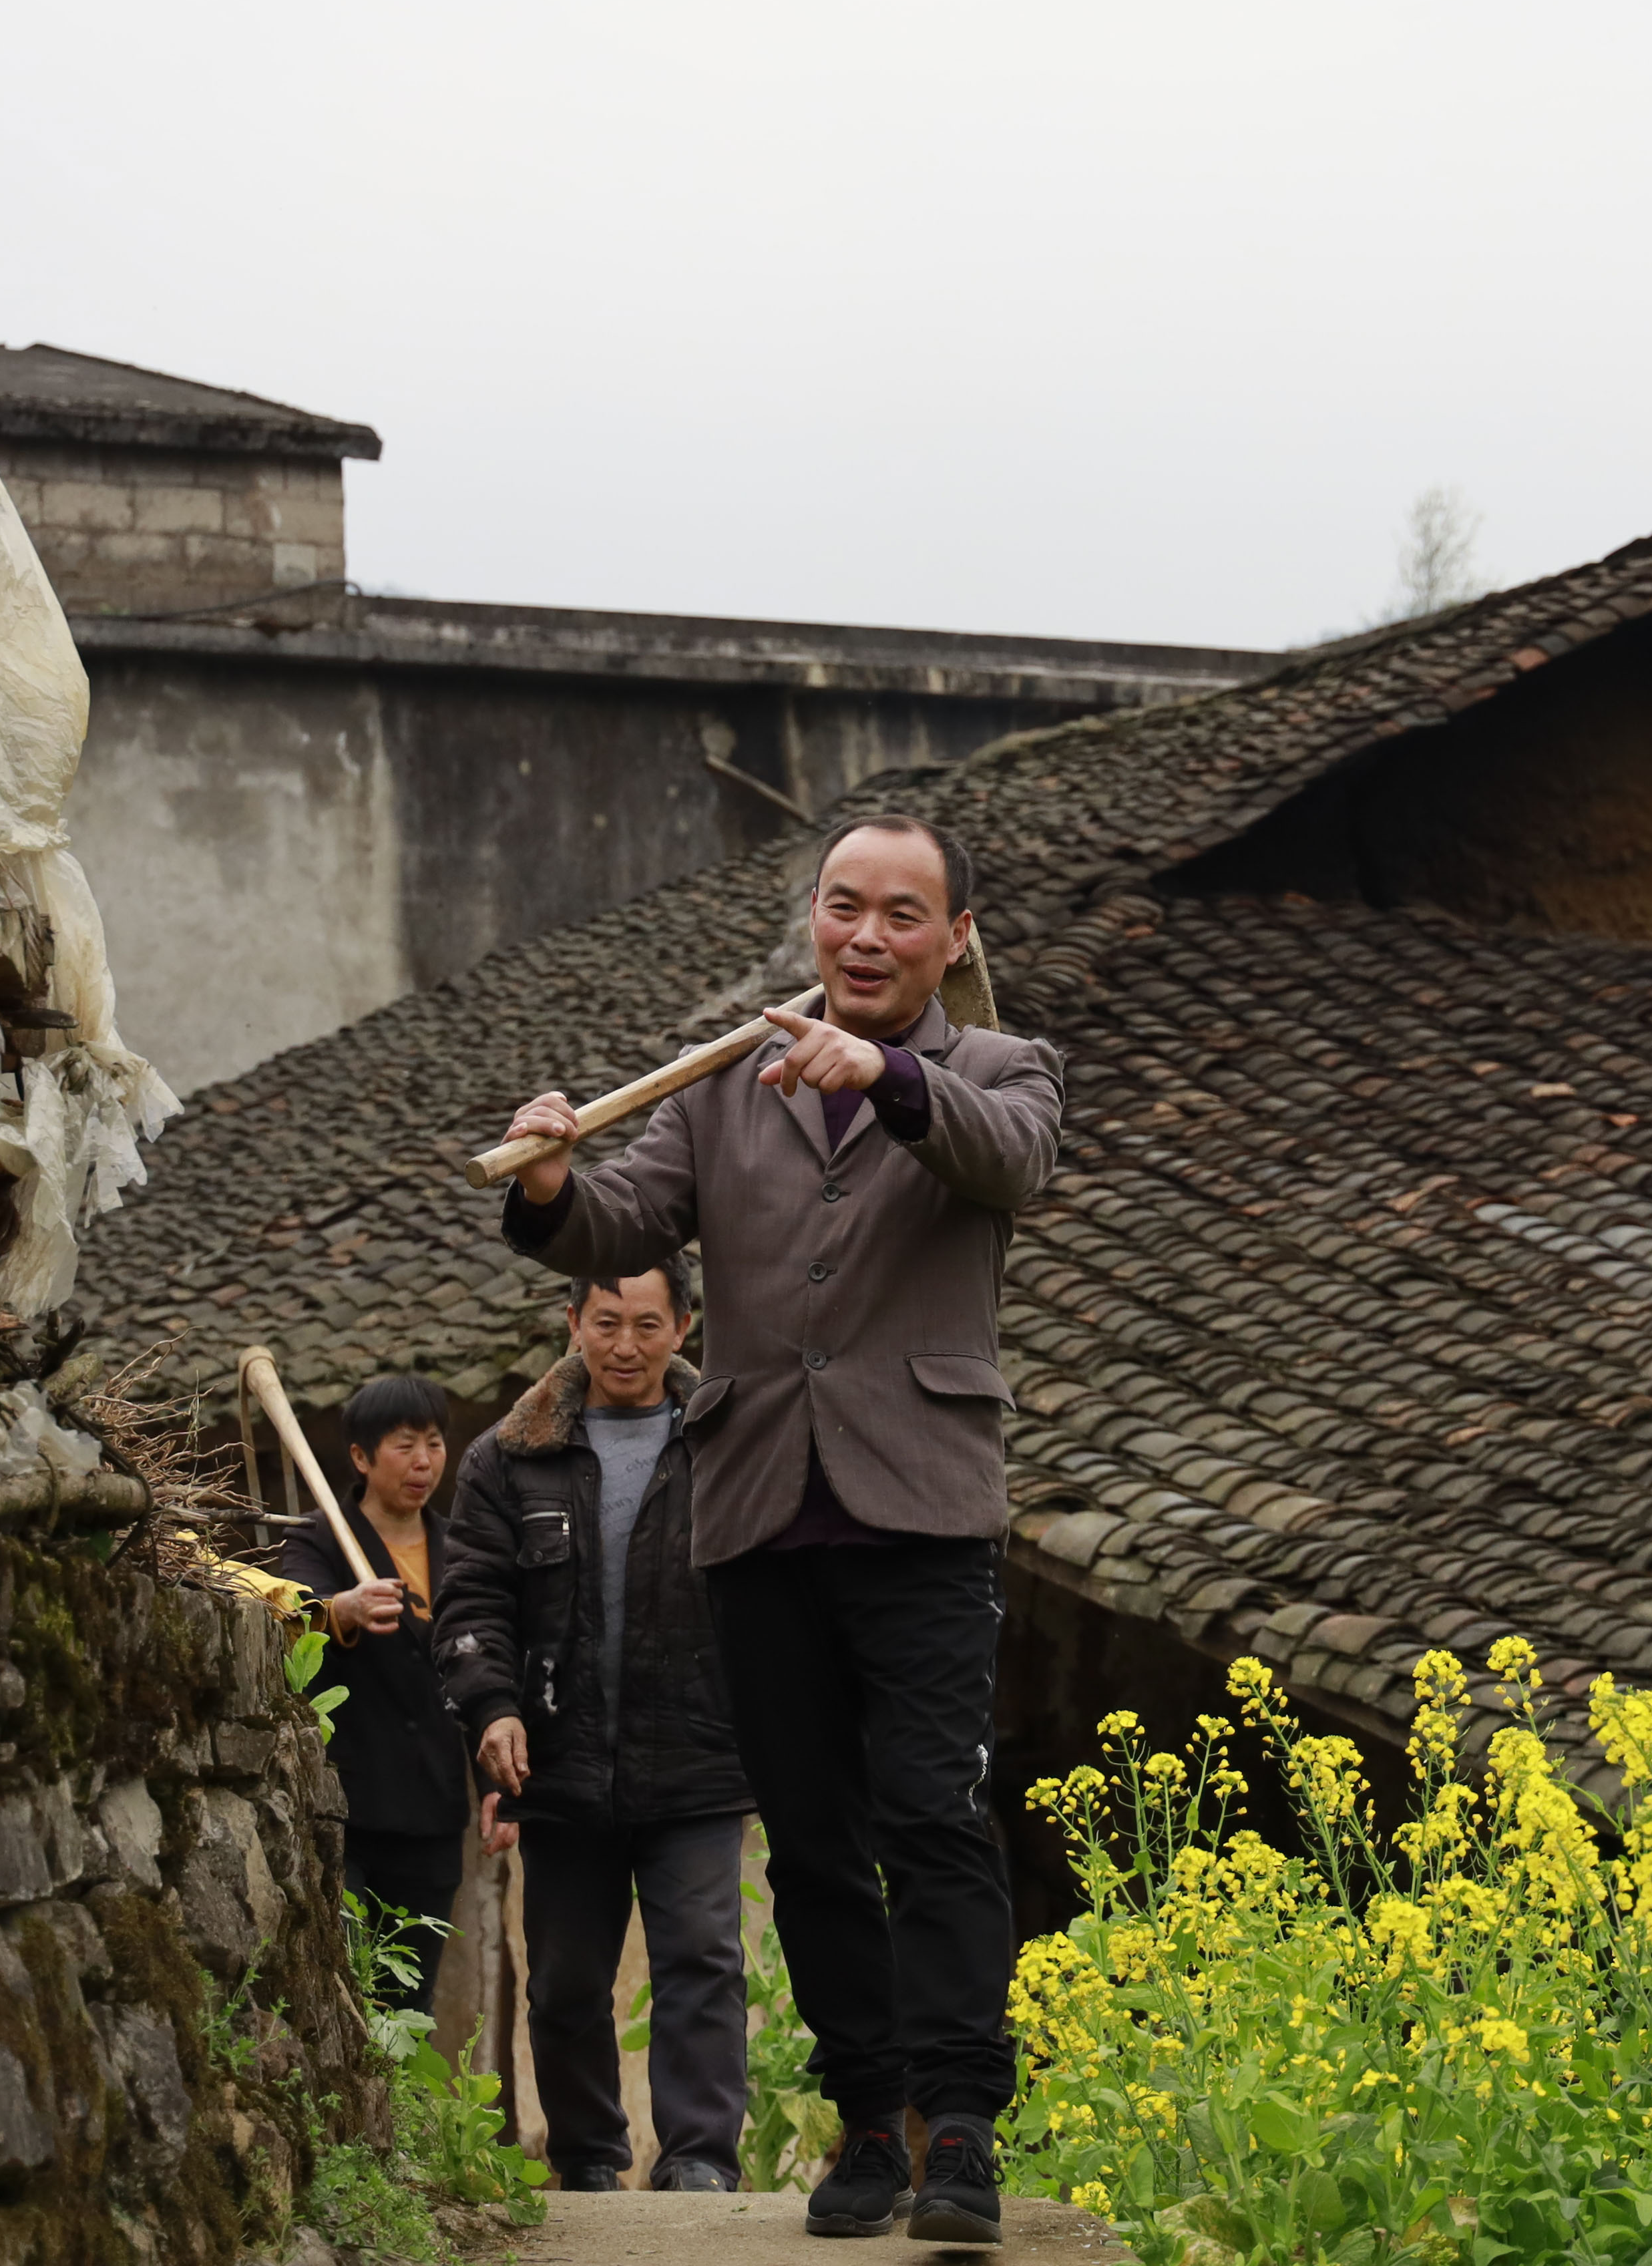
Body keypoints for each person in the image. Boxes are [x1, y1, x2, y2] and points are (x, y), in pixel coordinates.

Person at [495, 811, 1064, 2245]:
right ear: (814, 920)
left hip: (922, 1503)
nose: (865, 934)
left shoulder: (998, 1066)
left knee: (931, 1815)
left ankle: (961, 2128)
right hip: (757, 1505)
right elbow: (625, 1220)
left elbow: (1011, 1161)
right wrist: (556, 1177)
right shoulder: (723, 1081)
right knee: (809, 1838)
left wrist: (887, 1072)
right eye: (841, 906)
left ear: (954, 939)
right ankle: (869, 2119)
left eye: (900, 914)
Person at [434, 1264, 755, 2195]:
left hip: (698, 1751)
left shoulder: (728, 1442)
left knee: (702, 1958)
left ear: (684, 1325)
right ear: (573, 1321)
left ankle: (699, 2159)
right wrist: (493, 1708)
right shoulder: (507, 1457)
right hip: (561, 1762)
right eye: (606, 1323)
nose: (625, 1346)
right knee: (567, 1981)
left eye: (647, 1325)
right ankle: (587, 2160)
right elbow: (473, 1602)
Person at [294, 1372, 467, 2014]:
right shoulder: (321, 1539)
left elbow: (490, 1664)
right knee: (343, 2003)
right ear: (361, 1458)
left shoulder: (463, 1548)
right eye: (403, 1445)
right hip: (347, 1812)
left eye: (434, 1443)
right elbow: (293, 1612)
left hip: (433, 1814)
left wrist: (499, 1788)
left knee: (408, 2010)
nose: (424, 1462)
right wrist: (343, 1608)